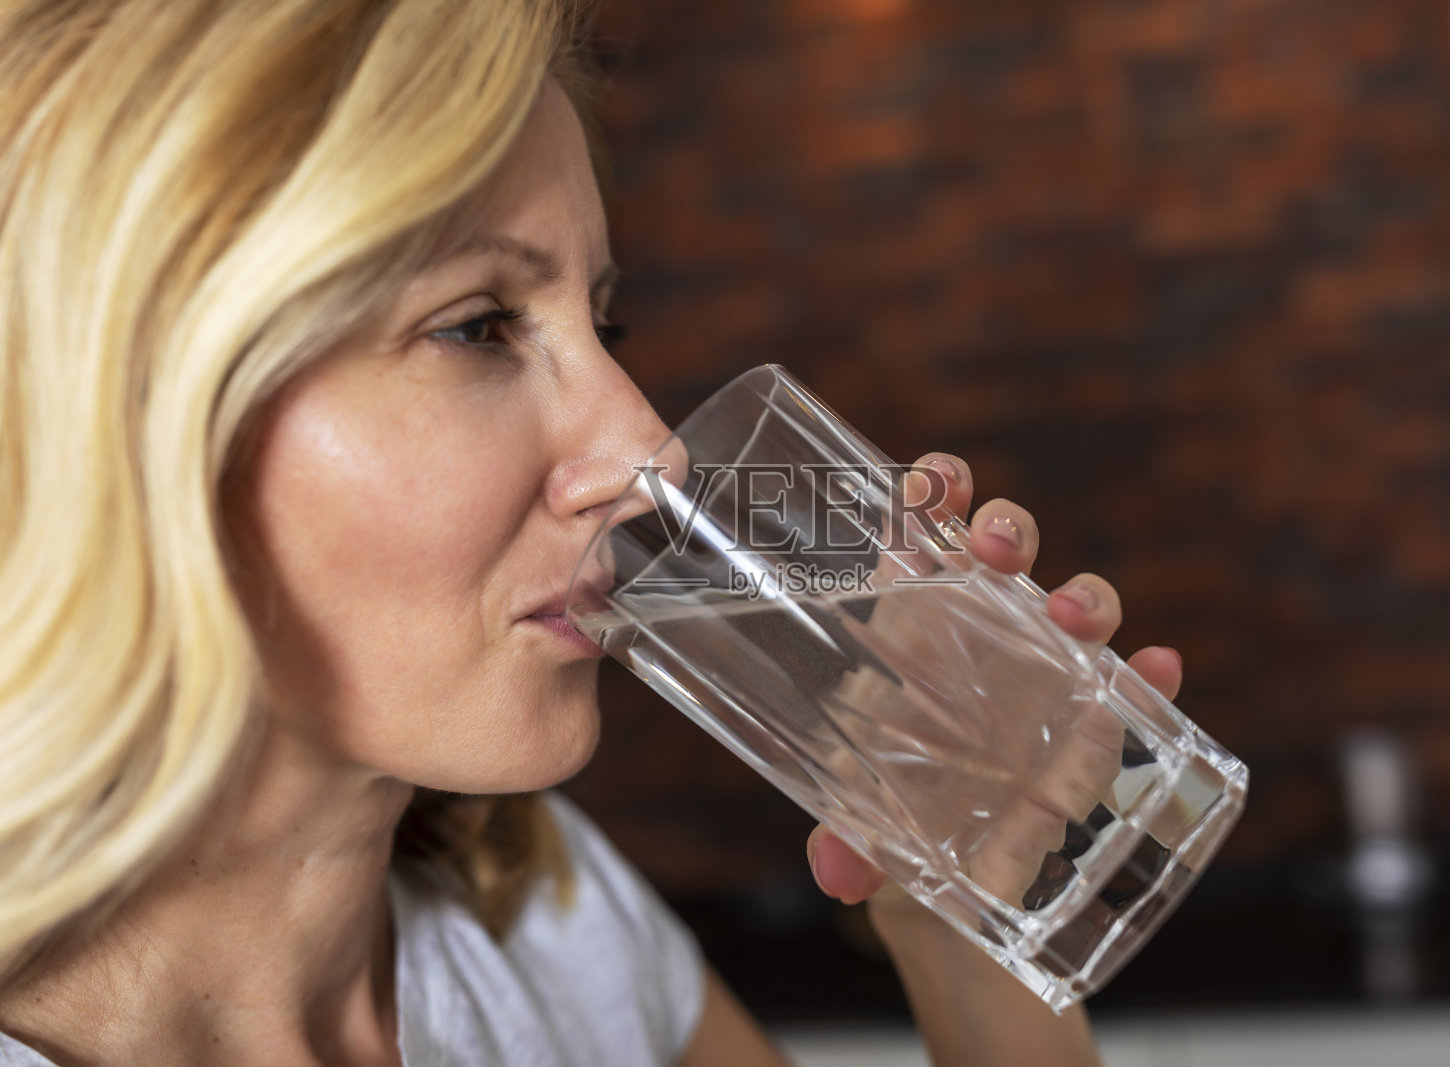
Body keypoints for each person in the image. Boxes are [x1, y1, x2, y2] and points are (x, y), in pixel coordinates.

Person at [0, 1, 1187, 1063]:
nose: (650, 449)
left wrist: (954, 916)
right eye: (477, 327)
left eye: (600, 319)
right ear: (134, 418)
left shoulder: (545, 923)